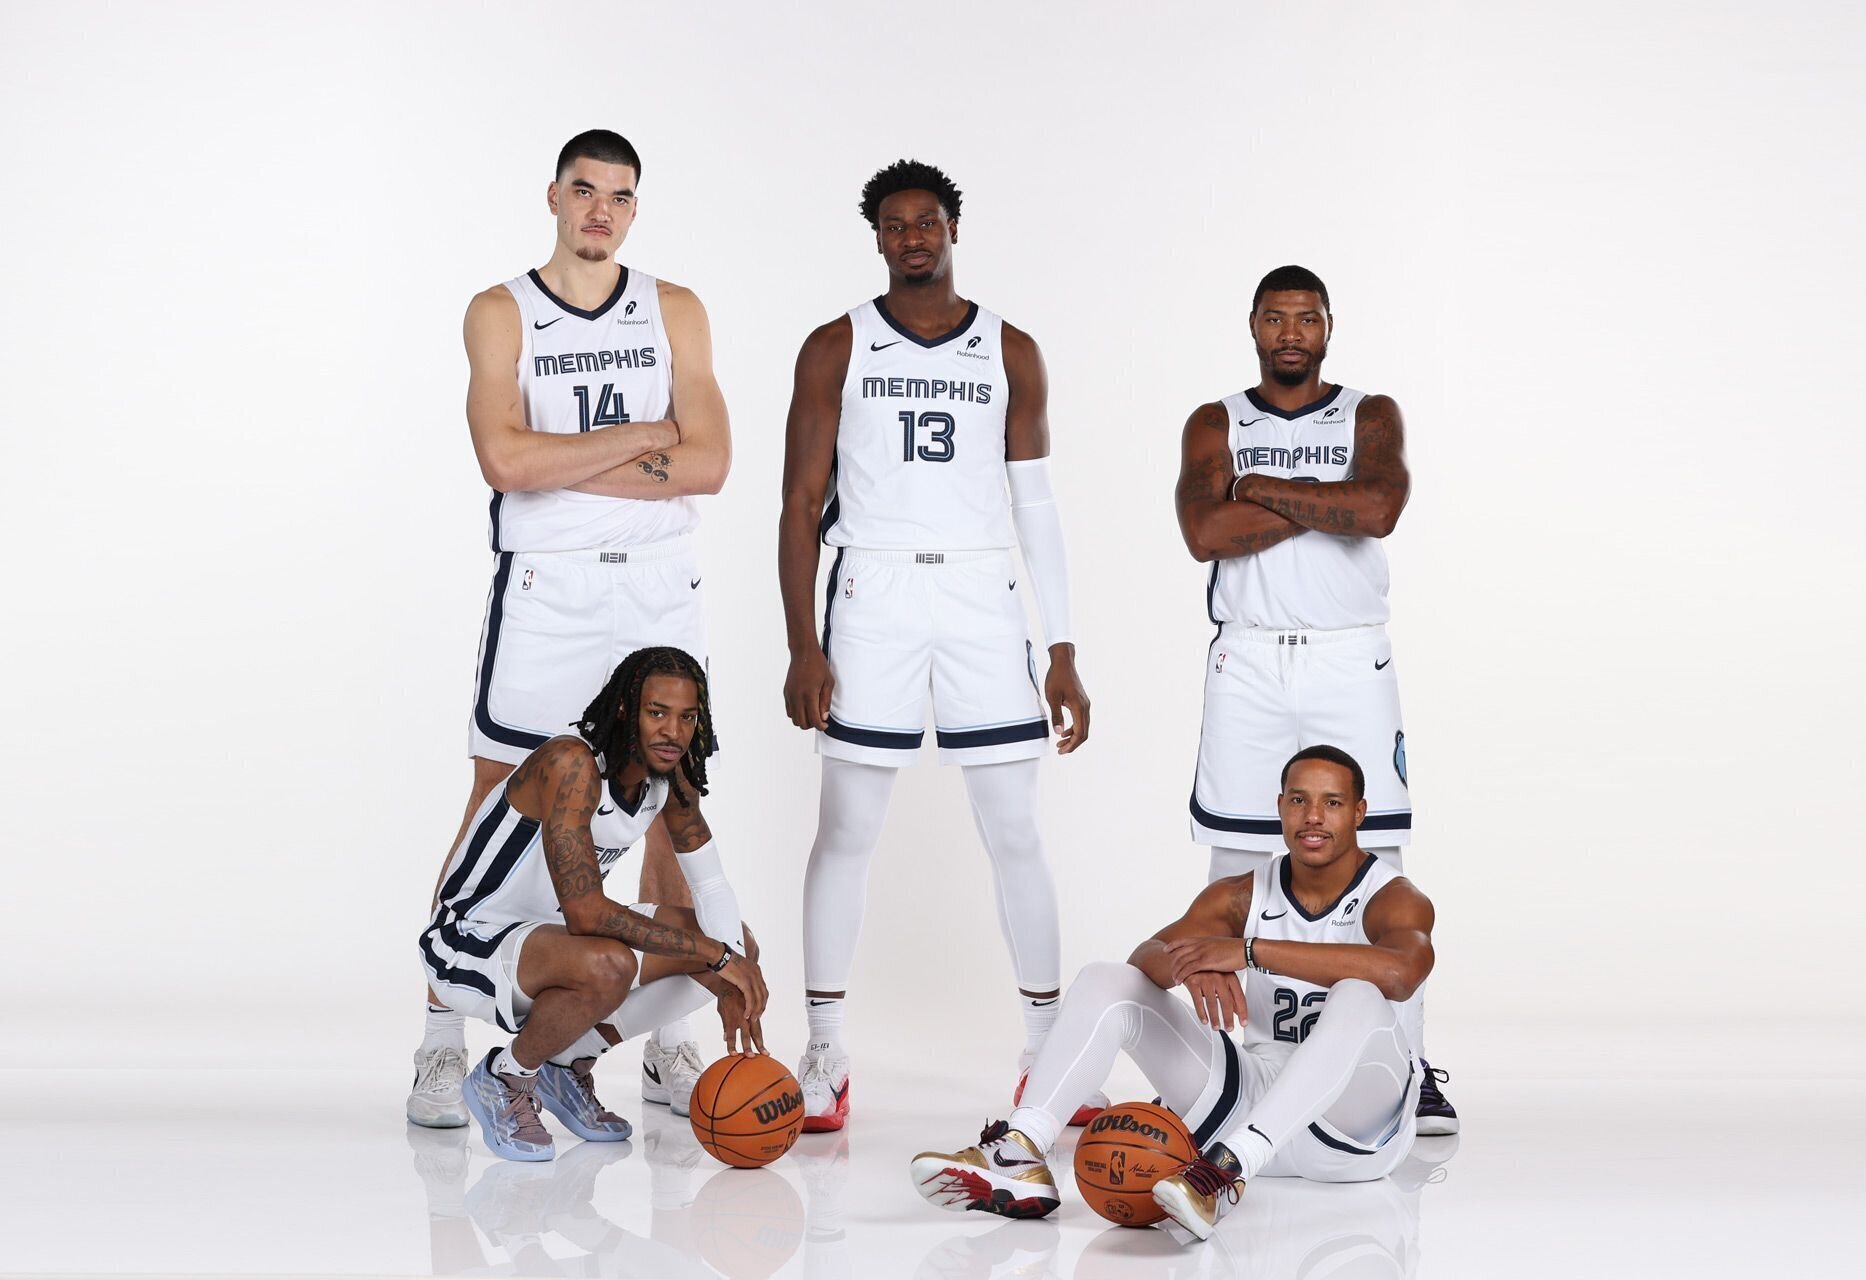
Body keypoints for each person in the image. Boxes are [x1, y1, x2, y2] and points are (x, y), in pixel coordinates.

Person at [409, 128, 734, 1130]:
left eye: (622, 196)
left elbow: (711, 461)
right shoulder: (500, 311)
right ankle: (439, 1037)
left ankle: (663, 1041)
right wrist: (642, 436)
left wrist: (565, 459)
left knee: (669, 789)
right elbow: (503, 460)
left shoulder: (673, 307)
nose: (603, 209)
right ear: (554, 195)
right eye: (586, 190)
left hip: (655, 584)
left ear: (636, 208)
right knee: (495, 792)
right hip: (547, 590)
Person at [777, 159, 1096, 1132]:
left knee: (1014, 828)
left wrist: (1063, 644)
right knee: (846, 826)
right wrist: (801, 640)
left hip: (977, 589)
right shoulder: (838, 344)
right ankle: (827, 1048)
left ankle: (1045, 1050)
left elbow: (1035, 503)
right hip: (873, 587)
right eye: (895, 224)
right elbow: (797, 499)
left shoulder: (1012, 348)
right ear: (877, 237)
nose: (913, 237)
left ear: (954, 228)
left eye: (928, 222)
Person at [911, 746, 1432, 1241]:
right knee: (1105, 977)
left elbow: (1403, 971)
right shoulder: (1243, 892)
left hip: (1350, 1130)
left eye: (1332, 803)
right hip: (1250, 1104)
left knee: (1359, 995)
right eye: (1299, 800)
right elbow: (1148, 955)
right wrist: (1192, 962)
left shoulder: (1392, 896)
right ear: (1280, 807)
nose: (1313, 816)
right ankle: (1019, 1151)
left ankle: (1228, 1173)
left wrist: (1247, 951)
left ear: (1359, 812)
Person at [1172, 264, 1454, 1134]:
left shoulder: (1369, 413)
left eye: (1307, 318)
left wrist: (1257, 490)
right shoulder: (1215, 420)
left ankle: (1404, 1066)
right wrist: (1325, 504)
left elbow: (1379, 507)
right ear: (1252, 327)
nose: (1290, 332)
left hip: (1346, 660)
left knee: (1378, 865)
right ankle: (1224, 1070)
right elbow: (1203, 532)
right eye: (1275, 318)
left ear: (1328, 327)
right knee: (1232, 866)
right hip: (1250, 663)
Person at [418, 647, 768, 1163]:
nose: (673, 731)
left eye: (687, 716)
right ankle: (505, 1077)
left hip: (550, 938)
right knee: (617, 962)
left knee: (740, 943)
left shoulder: (669, 776)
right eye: (657, 712)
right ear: (626, 709)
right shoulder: (571, 762)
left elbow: (712, 887)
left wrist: (733, 969)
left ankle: (570, 1063)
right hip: (469, 937)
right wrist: (715, 956)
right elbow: (586, 913)